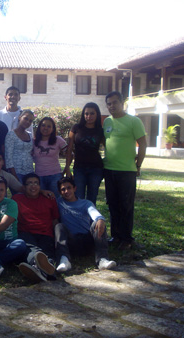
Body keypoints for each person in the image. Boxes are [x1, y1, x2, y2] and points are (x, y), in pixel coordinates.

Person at [103, 91, 146, 250]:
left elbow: (143, 144)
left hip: (126, 171)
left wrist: (138, 165)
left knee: (126, 205)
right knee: (113, 204)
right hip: (109, 170)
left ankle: (127, 238)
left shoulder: (134, 121)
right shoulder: (107, 121)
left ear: (122, 103)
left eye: (114, 102)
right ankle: (116, 236)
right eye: (109, 103)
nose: (111, 106)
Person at [54, 177, 116, 272]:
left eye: (69, 188)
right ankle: (64, 259)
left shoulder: (85, 203)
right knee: (59, 226)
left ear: (75, 188)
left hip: (88, 241)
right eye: (63, 189)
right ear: (59, 192)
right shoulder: (58, 203)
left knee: (97, 223)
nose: (66, 191)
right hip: (72, 242)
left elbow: (94, 213)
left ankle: (102, 259)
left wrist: (100, 219)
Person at [13, 173, 59, 283]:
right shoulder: (16, 199)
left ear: (40, 186)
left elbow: (55, 219)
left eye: (36, 183)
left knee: (47, 251)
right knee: (31, 249)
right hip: (26, 232)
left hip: (45, 233)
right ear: (23, 187)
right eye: (29, 183)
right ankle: (48, 271)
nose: (33, 186)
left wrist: (55, 237)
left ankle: (39, 269)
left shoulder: (49, 198)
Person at [64, 102, 104, 205]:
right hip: (79, 168)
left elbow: (109, 147)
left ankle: (91, 221)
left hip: (96, 169)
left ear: (97, 114)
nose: (89, 116)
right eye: (86, 113)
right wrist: (67, 167)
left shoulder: (100, 130)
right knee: (78, 197)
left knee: (92, 198)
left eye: (92, 113)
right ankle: (79, 220)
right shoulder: (76, 128)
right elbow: (69, 149)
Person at [32, 116, 67, 197]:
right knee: (41, 200)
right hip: (39, 176)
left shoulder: (58, 139)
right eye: (43, 125)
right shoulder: (34, 142)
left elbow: (70, 154)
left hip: (55, 175)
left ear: (53, 128)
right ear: (39, 127)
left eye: (49, 126)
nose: (45, 128)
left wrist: (66, 169)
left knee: (56, 200)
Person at [5, 109, 35, 183]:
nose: (27, 122)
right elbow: (8, 156)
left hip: (29, 171)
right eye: (26, 118)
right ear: (19, 117)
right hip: (16, 172)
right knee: (19, 194)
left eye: (30, 121)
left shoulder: (30, 135)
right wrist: (14, 175)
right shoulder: (11, 135)